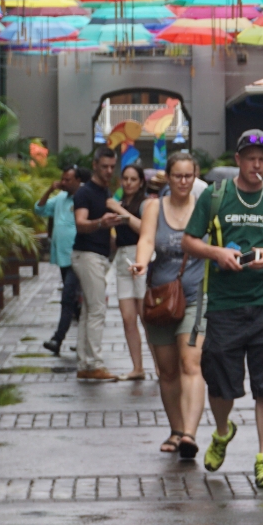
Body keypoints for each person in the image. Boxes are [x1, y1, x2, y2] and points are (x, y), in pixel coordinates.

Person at [182, 128, 263, 488]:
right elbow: (189, 240)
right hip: (224, 303)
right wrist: (217, 252)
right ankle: (223, 431)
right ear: (237, 160)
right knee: (220, 383)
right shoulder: (216, 197)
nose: (257, 165)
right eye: (250, 158)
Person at [133, 151, 207, 459]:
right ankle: (176, 430)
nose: (183, 182)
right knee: (166, 370)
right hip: (160, 297)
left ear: (195, 176)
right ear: (168, 177)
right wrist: (139, 262)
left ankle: (190, 433)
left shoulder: (204, 207)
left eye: (189, 176)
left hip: (195, 296)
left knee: (191, 363)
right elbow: (147, 240)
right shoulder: (153, 207)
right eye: (178, 176)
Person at [72, 147, 123, 381]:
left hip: (98, 255)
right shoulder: (85, 193)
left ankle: (85, 362)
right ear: (94, 165)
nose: (109, 171)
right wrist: (100, 223)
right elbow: (80, 223)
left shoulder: (106, 191)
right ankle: (94, 363)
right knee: (97, 309)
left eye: (112, 167)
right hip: (87, 254)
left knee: (89, 310)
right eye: (104, 167)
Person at [37, 166, 85, 356]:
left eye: (67, 180)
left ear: (77, 181)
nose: (63, 183)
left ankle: (58, 339)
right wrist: (50, 189)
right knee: (74, 301)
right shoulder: (59, 199)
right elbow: (39, 209)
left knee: (67, 297)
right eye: (62, 180)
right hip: (63, 257)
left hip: (78, 255)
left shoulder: (83, 198)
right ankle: (85, 337)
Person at [109, 163, 151, 381]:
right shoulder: (120, 203)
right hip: (123, 258)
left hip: (142, 257)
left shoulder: (145, 204)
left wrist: (121, 212)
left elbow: (145, 229)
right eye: (125, 178)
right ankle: (137, 367)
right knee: (128, 318)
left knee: (146, 317)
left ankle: (161, 367)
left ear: (141, 181)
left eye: (133, 179)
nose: (128, 183)